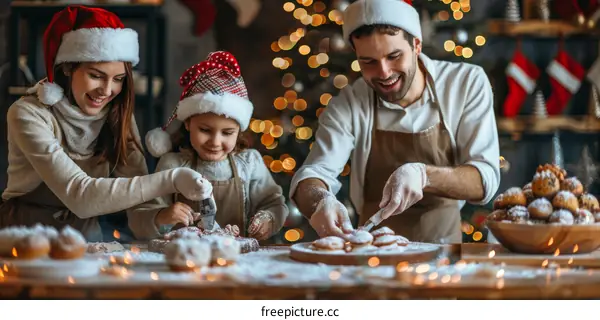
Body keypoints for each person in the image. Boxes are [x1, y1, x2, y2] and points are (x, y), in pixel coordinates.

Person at [289, 0, 500, 243]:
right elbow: (311, 176)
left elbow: (484, 181)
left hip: (443, 255)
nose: (384, 72)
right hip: (372, 256)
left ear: (417, 45)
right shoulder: (349, 103)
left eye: (394, 56)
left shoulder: (465, 83)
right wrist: (320, 202)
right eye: (368, 61)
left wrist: (423, 175)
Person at [0, 6, 209, 242]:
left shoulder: (117, 115)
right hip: (23, 242)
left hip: (87, 243)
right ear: (68, 67)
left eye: (118, 79)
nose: (107, 91)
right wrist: (170, 180)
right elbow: (80, 196)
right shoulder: (27, 113)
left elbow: (139, 205)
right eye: (96, 76)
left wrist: (159, 217)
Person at [142, 51, 289, 240]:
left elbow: (274, 203)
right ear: (188, 123)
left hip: (238, 262)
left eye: (227, 133)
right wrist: (162, 217)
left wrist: (268, 219)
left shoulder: (250, 163)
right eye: (205, 130)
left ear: (239, 130)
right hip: (185, 260)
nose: (215, 142)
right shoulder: (172, 164)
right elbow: (143, 215)